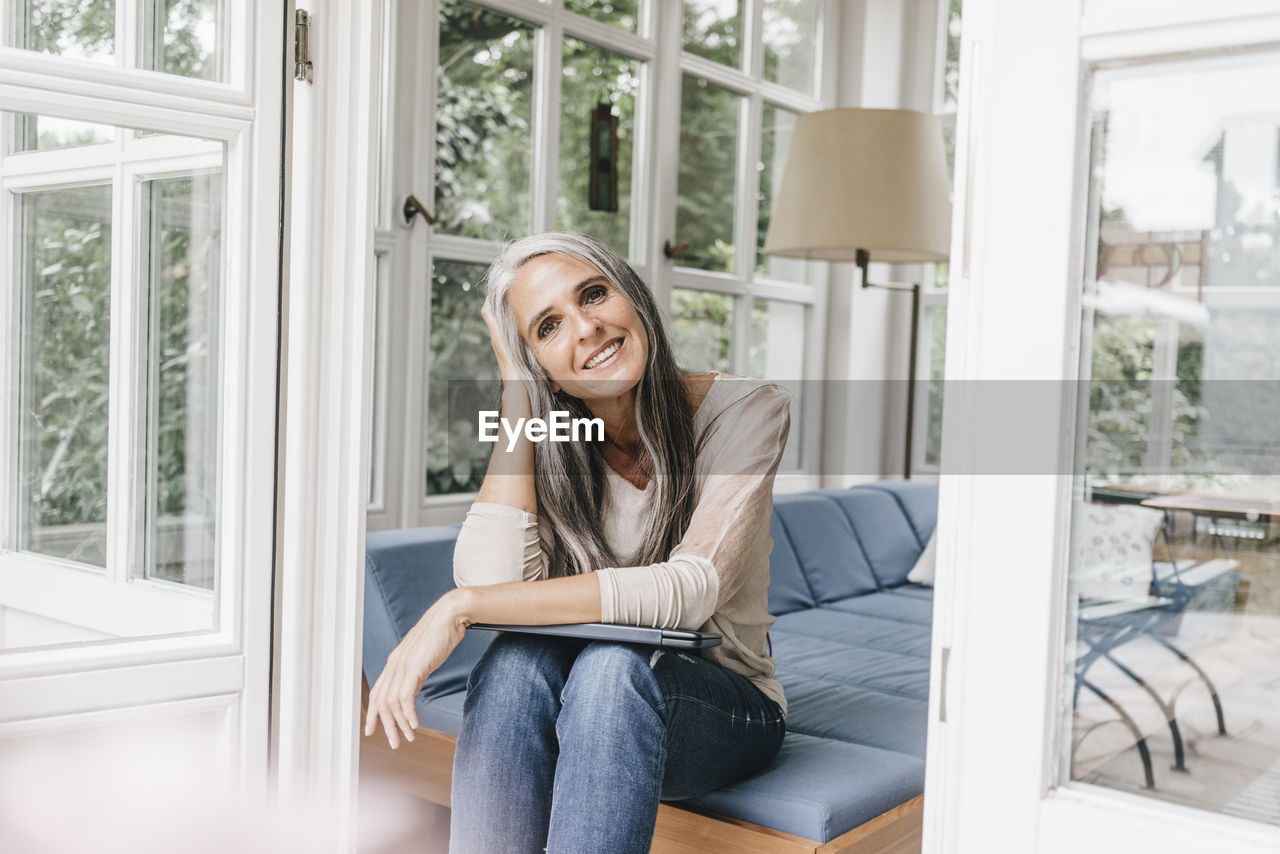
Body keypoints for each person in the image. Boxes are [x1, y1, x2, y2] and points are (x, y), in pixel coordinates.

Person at [363, 232, 791, 853]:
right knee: (513, 664)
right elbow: (496, 576)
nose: (587, 328)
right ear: (543, 372)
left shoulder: (747, 410)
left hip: (724, 707)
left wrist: (459, 607)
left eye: (594, 294)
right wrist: (517, 394)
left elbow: (689, 589)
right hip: (581, 699)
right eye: (547, 328)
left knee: (612, 670)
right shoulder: (553, 431)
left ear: (634, 299)